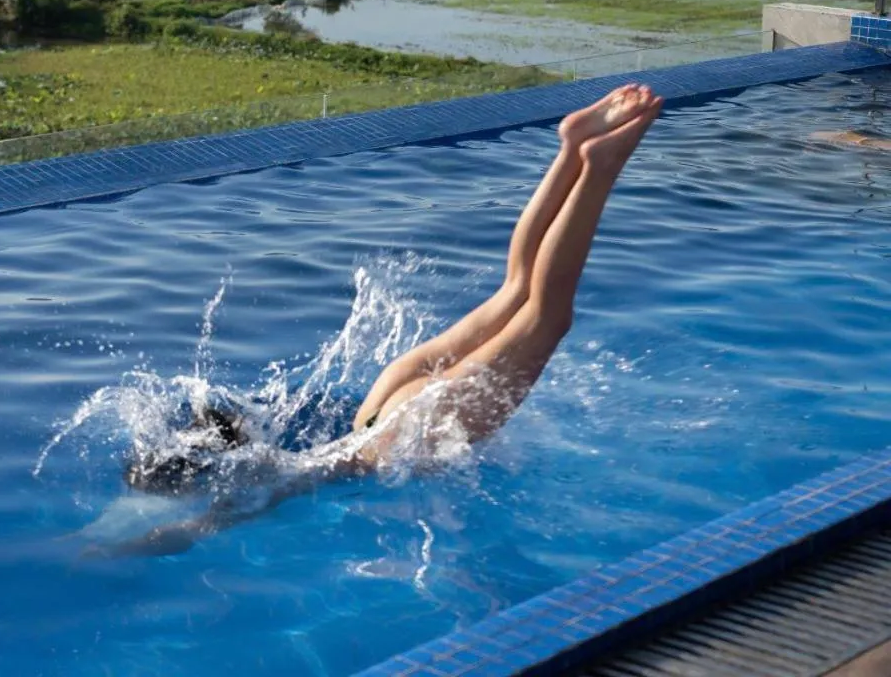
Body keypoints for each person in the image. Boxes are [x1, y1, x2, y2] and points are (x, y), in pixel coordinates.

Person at [114, 84, 664, 553]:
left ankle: (598, 168)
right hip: (379, 407)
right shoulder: (262, 453)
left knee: (547, 315)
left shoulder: (252, 488)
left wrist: (114, 552)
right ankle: (569, 150)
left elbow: (187, 534)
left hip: (400, 436)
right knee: (517, 287)